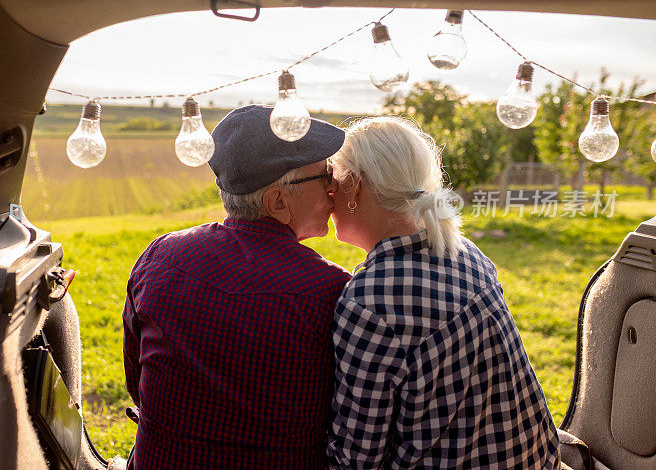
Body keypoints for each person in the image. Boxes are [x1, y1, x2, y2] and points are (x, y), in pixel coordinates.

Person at [123, 105, 351, 469]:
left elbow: (137, 383)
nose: (334, 187)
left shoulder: (161, 257)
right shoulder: (330, 291)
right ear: (278, 200)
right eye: (325, 175)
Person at [325, 116, 560, 469]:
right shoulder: (464, 251)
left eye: (332, 179)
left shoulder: (370, 301)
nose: (328, 194)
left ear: (355, 186)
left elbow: (355, 459)